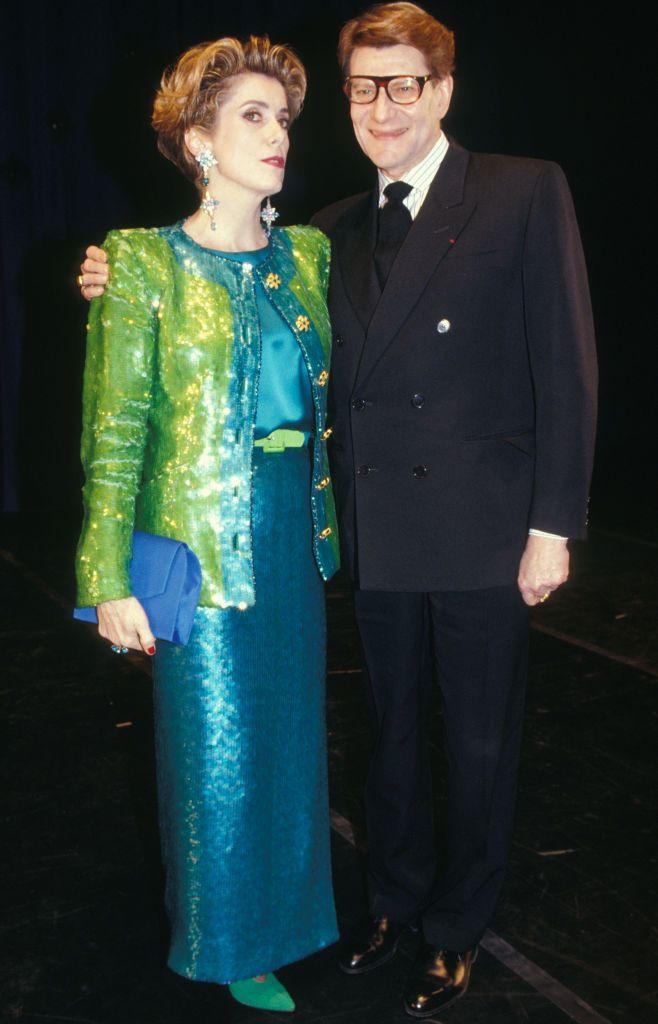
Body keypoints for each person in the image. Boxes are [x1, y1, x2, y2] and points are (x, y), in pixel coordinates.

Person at [80, 4, 598, 1018]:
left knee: (475, 749)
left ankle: (454, 928)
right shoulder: (324, 235)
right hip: (356, 543)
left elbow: (566, 368)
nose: (379, 106)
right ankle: (392, 906)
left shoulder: (514, 194)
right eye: (362, 86)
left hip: (480, 536)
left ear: (440, 91)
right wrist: (109, 273)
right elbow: (147, 398)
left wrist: (555, 522)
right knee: (386, 742)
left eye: (403, 83)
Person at [75, 35, 340, 1014]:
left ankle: (293, 921)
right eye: (252, 116)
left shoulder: (305, 255)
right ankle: (230, 945)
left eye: (283, 117)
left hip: (291, 537)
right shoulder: (142, 264)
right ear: (197, 139)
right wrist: (107, 578)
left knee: (288, 745)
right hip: (191, 544)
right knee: (216, 752)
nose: (277, 136)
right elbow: (114, 435)